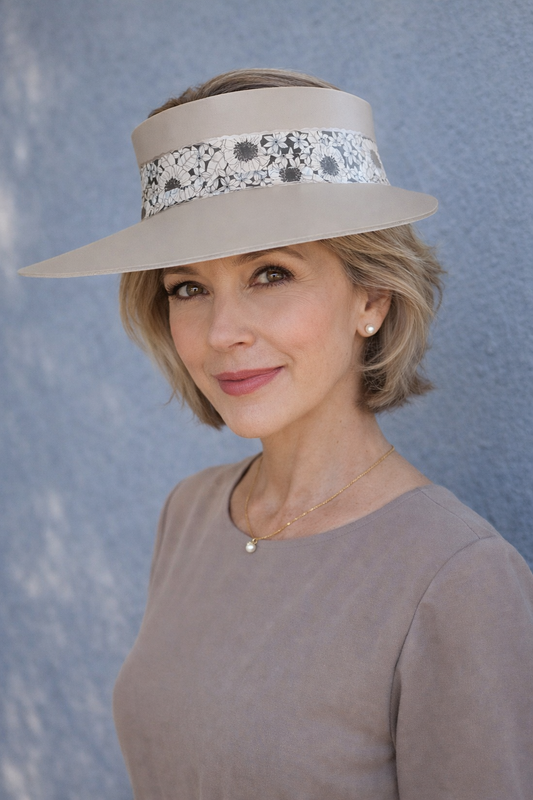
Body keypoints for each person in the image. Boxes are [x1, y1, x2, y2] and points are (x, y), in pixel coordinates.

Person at [20, 69, 533, 799]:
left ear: (372, 298)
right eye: (187, 288)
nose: (222, 333)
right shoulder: (191, 514)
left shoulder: (459, 580)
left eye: (269, 273)